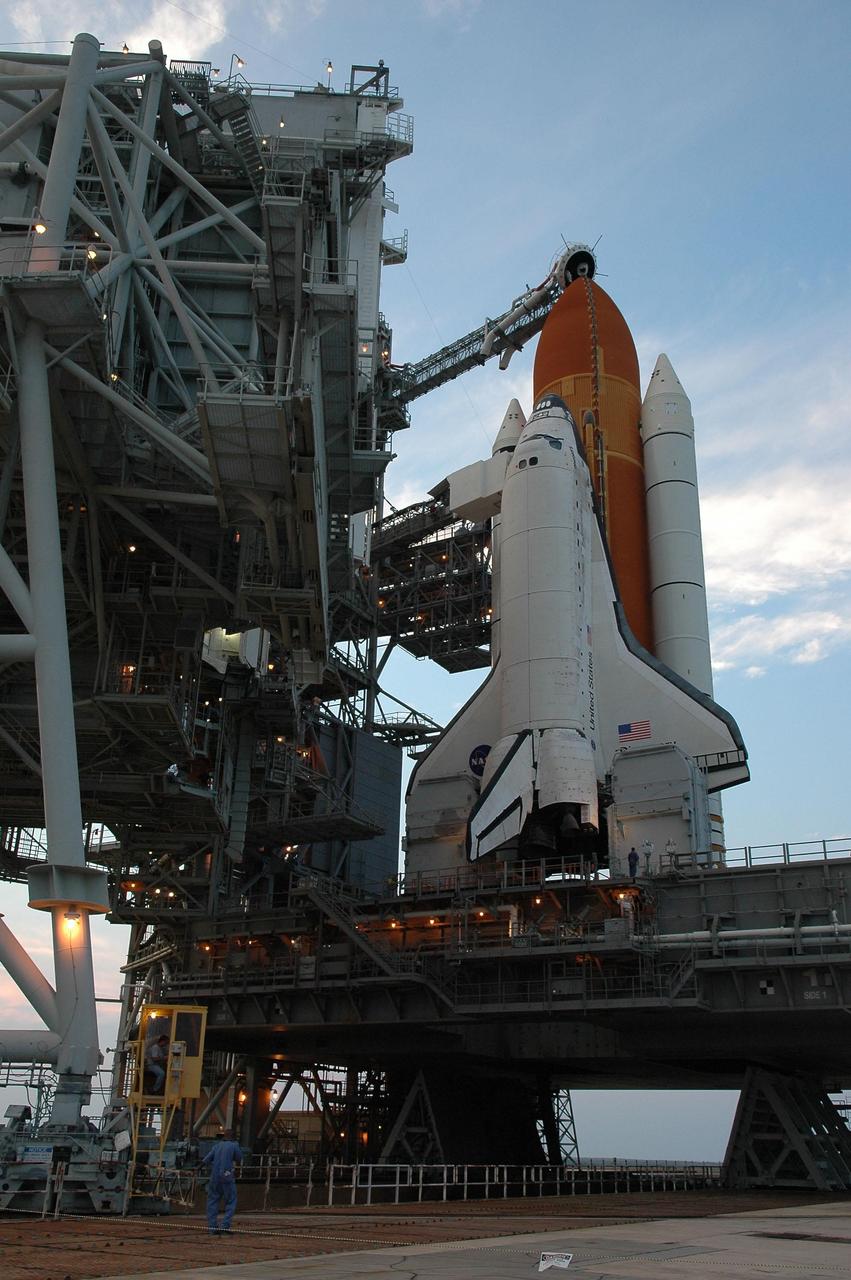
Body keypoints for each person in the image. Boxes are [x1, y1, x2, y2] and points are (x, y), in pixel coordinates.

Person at [203, 1129, 242, 1234]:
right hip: (227, 1176)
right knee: (231, 1201)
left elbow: (206, 1160)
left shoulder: (217, 1146)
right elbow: (239, 1157)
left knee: (212, 1201)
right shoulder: (234, 1145)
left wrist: (197, 1168)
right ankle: (225, 1226)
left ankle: (212, 1227)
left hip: (214, 1178)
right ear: (234, 1136)